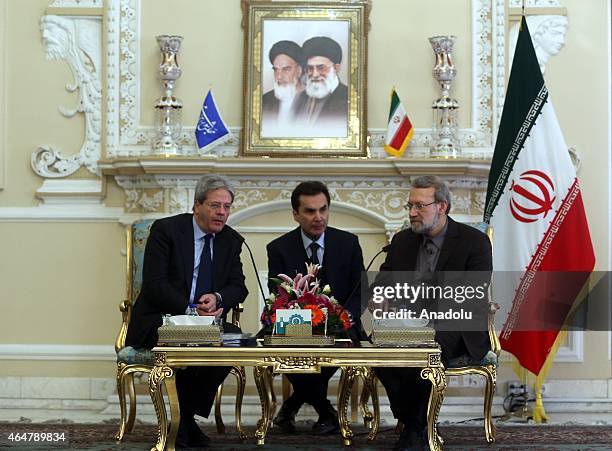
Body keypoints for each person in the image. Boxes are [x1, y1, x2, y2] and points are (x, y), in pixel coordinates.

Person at [125, 174, 248, 448]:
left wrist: (217, 298)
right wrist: (191, 309)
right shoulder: (167, 230)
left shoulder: (231, 240)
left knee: (233, 340)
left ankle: (183, 420)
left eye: (227, 207)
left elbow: (238, 287)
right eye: (216, 205)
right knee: (191, 341)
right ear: (197, 205)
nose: (222, 213)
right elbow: (155, 285)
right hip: (161, 318)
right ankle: (185, 426)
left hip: (205, 325)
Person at [373, 175, 492, 451]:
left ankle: (413, 428)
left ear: (442, 207)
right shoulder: (402, 241)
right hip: (406, 323)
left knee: (428, 349)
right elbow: (384, 282)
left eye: (420, 206)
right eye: (410, 206)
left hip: (455, 325)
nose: (412, 213)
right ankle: (416, 423)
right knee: (377, 351)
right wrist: (379, 298)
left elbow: (472, 292)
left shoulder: (474, 242)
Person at [267, 181, 365, 434]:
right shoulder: (278, 248)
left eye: (323, 209)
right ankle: (326, 411)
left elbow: (360, 290)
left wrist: (347, 316)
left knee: (339, 341)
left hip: (341, 325)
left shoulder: (349, 243)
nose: (318, 217)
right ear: (296, 214)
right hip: (296, 325)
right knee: (277, 343)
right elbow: (278, 294)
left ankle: (291, 406)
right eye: (310, 211)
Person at [294, 36, 348, 135]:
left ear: (336, 68)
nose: (314, 74)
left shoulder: (349, 100)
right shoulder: (299, 99)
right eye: (310, 68)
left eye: (321, 68)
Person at [261, 40, 305, 136]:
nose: (279, 76)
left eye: (286, 69)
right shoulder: (264, 101)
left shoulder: (312, 101)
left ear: (299, 70)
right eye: (276, 70)